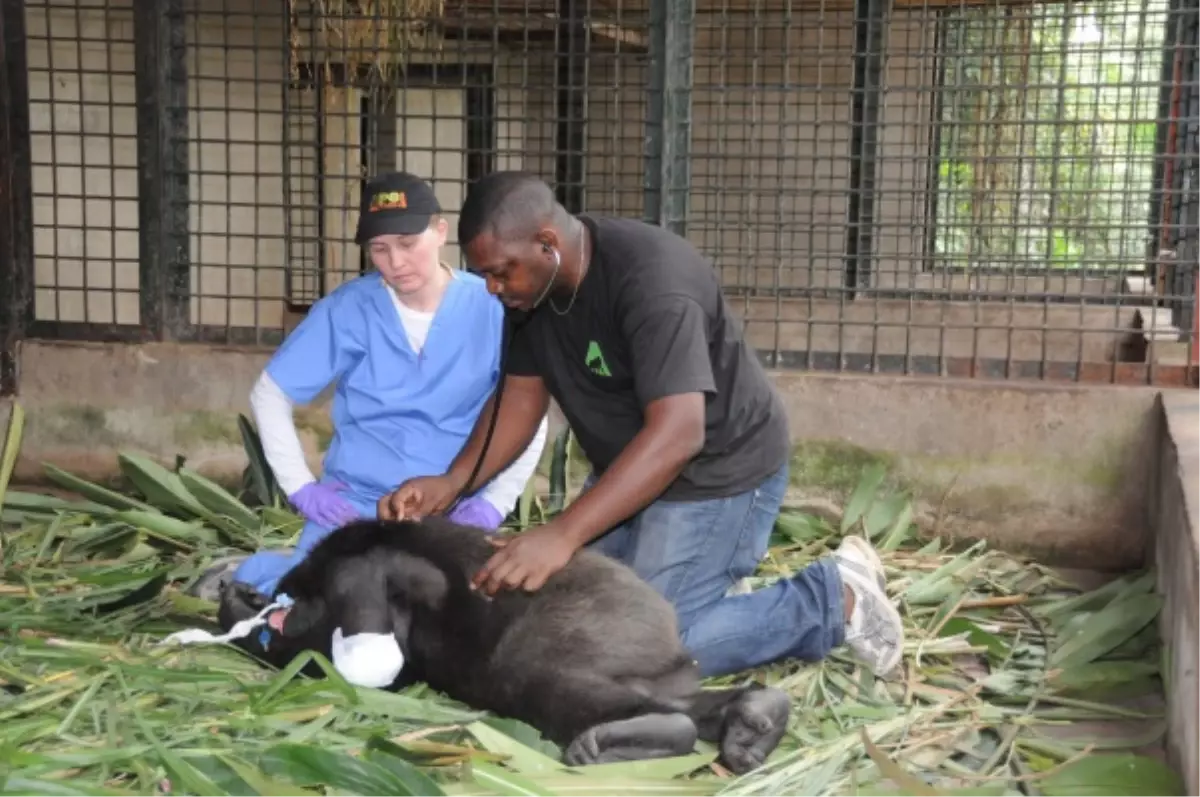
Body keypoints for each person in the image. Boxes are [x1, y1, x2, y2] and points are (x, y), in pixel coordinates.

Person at [377, 171, 905, 679]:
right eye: (485, 273)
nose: (491, 288)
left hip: (716, 476)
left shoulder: (651, 279)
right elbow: (520, 395)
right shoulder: (529, 288)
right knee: (556, 610)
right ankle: (711, 593)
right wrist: (452, 481)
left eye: (500, 272)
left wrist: (562, 534)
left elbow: (679, 433)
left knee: (642, 647)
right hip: (629, 475)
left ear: (547, 243)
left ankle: (835, 598)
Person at [189, 170, 548, 603]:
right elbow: (270, 394)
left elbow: (530, 413)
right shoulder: (348, 309)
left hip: (452, 508)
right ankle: (257, 572)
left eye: (407, 244)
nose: (395, 262)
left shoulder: (492, 306)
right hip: (355, 506)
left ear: (440, 232)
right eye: (379, 249)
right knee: (314, 605)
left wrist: (494, 501)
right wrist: (302, 489)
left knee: (447, 612)